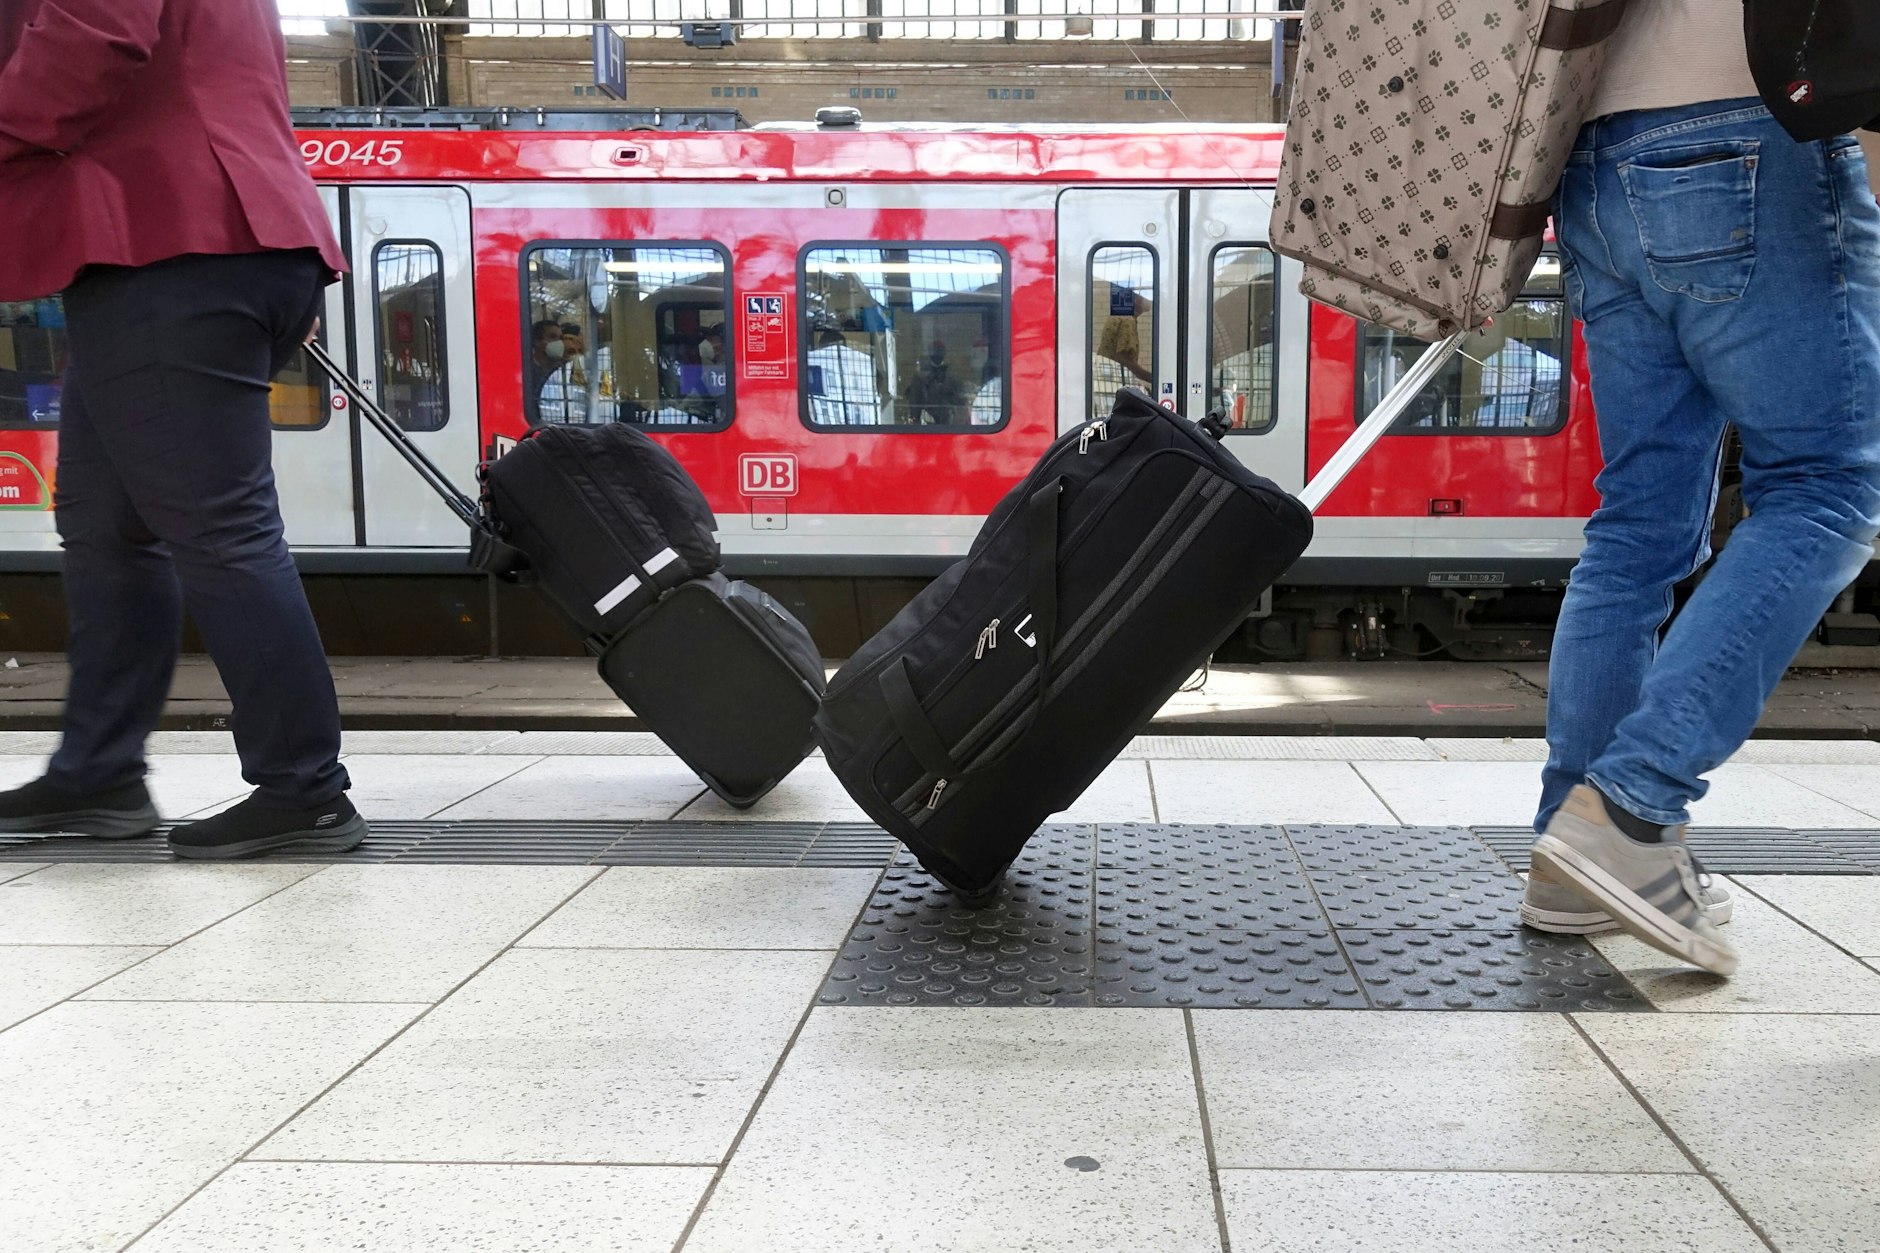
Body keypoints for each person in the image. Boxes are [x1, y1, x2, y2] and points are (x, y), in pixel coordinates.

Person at [1523, 0, 1880, 976]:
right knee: (1829, 491)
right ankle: (1630, 808)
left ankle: (1567, 850)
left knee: (1634, 523)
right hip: (1748, 125)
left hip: (1588, 153)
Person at [0, 0, 368, 859]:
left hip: (171, 240)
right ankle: (100, 774)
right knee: (107, 526)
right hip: (193, 238)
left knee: (221, 531)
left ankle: (304, 787)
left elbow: (93, 36)